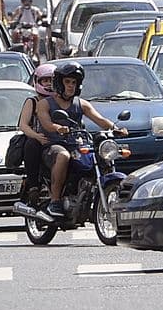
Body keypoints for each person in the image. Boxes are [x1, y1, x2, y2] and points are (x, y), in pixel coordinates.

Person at [35, 61, 126, 218]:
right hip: (53, 145)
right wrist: (57, 128)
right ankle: (55, 201)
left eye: (74, 82)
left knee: (99, 156)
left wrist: (116, 128)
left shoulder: (81, 104)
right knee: (63, 156)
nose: (71, 86)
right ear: (59, 83)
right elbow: (46, 124)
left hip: (77, 144)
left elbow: (100, 119)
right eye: (67, 82)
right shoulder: (45, 104)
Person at [18, 63, 55, 206]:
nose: (49, 84)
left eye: (51, 80)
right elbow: (23, 125)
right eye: (45, 81)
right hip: (37, 140)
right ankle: (33, 185)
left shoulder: (58, 100)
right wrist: (37, 136)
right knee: (31, 145)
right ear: (37, 82)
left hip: (56, 140)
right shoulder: (32, 101)